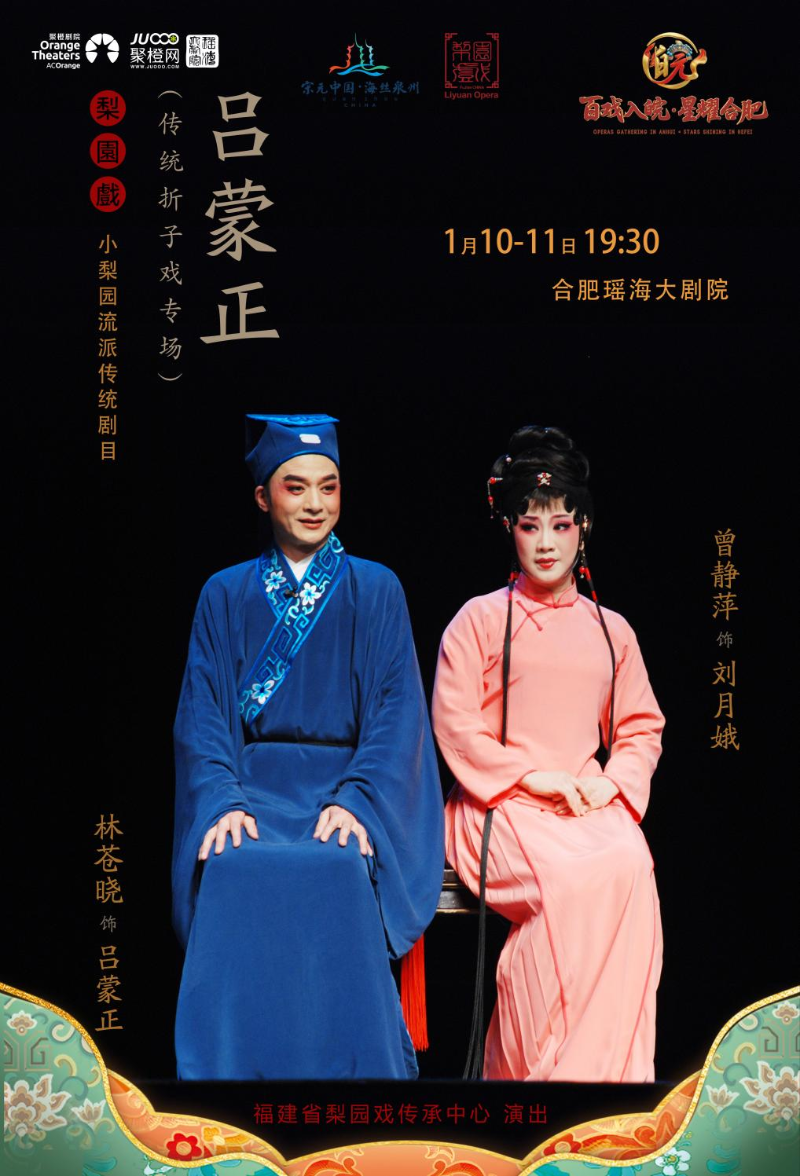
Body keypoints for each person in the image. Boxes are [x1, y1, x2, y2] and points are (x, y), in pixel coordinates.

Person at [172, 413, 443, 1080]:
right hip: (253, 790)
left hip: (340, 791)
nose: (315, 503)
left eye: (329, 486)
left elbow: (397, 715)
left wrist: (360, 801)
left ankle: (356, 1081)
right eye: (296, 487)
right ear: (263, 496)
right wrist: (221, 800)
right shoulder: (223, 593)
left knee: (339, 866)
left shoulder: (376, 589)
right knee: (231, 862)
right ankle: (226, 1083)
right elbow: (202, 718)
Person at [432, 425, 664, 1082]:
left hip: (586, 806)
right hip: (499, 804)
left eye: (561, 526)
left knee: (632, 870)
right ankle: (543, 1081)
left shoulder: (611, 630)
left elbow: (641, 727)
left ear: (583, 528)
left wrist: (612, 783)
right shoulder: (479, 619)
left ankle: (613, 1082)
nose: (545, 543)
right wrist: (533, 778)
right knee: (568, 886)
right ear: (509, 527)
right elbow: (456, 723)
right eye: (530, 526)